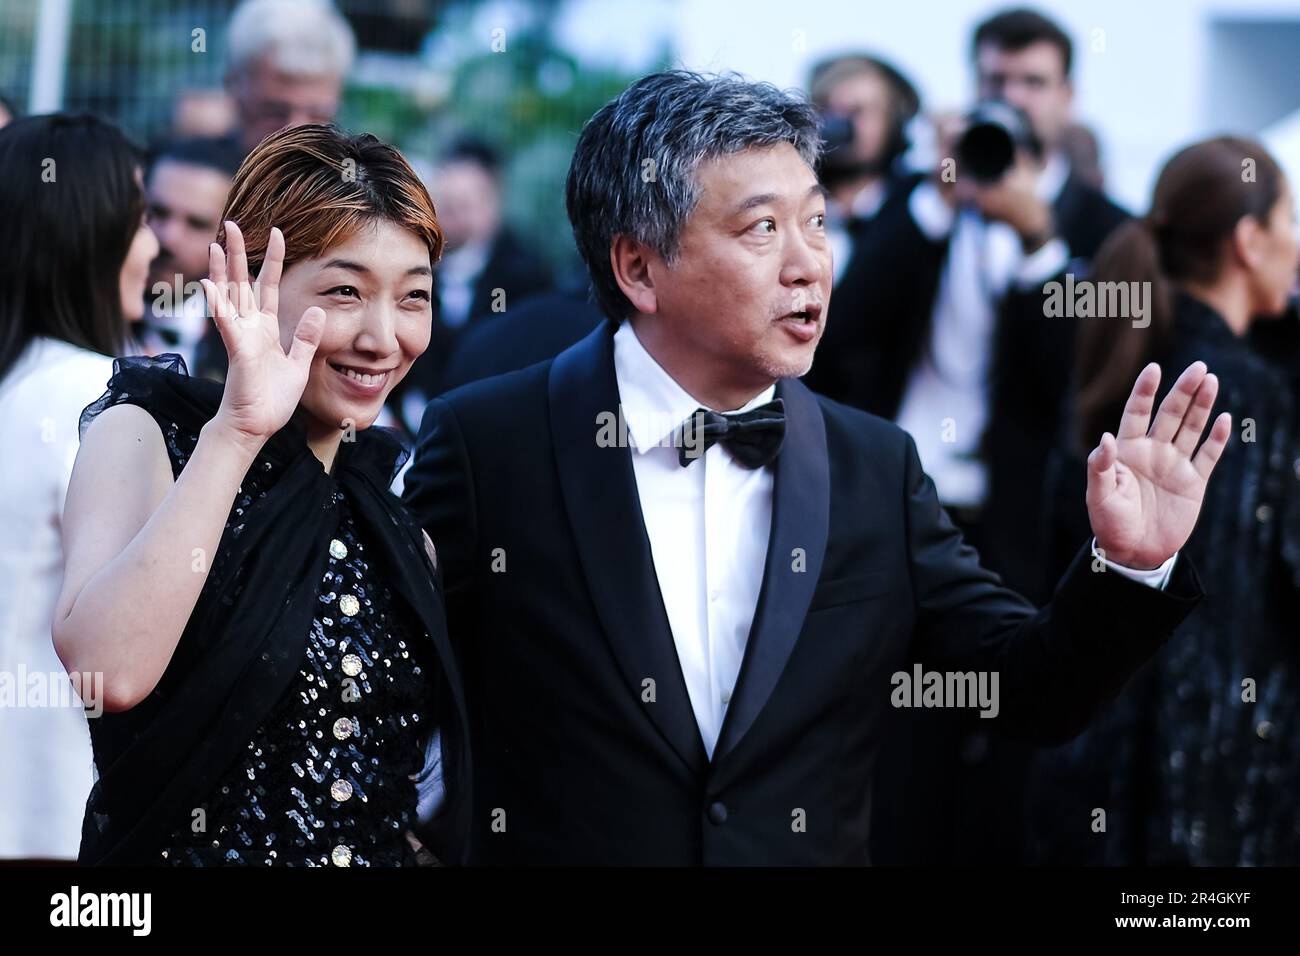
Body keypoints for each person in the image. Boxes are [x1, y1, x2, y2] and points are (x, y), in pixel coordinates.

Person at [401, 70, 1226, 865]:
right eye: (762, 229)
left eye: (818, 222)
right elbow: (381, 694)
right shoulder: (486, 444)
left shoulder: (875, 466)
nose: (809, 264)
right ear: (638, 268)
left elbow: (1028, 691)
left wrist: (1129, 566)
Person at [53, 124, 470, 867]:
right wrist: (239, 430)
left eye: (413, 298)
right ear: (246, 283)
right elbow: (107, 673)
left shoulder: (397, 522)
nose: (382, 337)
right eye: (345, 291)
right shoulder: (149, 436)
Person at [1030, 137, 1300, 865]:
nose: (1297, 248)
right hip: (1216, 765)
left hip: (1098, 743)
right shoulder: (1241, 389)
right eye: (1291, 224)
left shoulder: (1126, 351)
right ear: (1249, 240)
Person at [0, 113, 158, 863]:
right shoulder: (95, 396)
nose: (156, 247)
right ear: (88, 236)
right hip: (54, 813)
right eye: (140, 219)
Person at [394, 137, 552, 430]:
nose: (451, 218)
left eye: (464, 205)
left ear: (492, 202)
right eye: (446, 204)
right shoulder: (412, 264)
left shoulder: (525, 277)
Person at [135, 137, 243, 371]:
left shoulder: (240, 351)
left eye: (197, 224)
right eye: (157, 212)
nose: (168, 238)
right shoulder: (75, 320)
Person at [223, 0, 355, 155]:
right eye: (275, 113)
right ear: (234, 89)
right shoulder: (197, 168)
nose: (296, 135)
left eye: (318, 115)